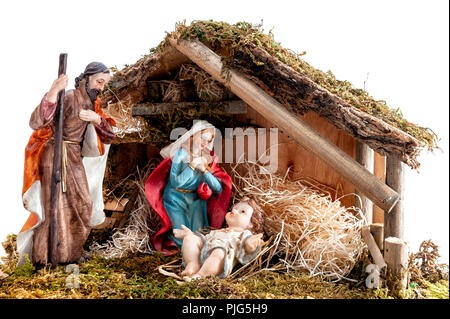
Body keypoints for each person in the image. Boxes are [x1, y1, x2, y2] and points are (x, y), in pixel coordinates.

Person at [18, 62, 116, 266]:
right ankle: (46, 257)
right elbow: (38, 121)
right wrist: (53, 91)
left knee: (82, 204)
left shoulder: (92, 104)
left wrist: (97, 120)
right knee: (54, 205)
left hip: (72, 155)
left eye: (104, 84)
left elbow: (109, 136)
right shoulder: (68, 96)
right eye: (99, 81)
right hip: (55, 154)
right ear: (87, 78)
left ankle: (70, 252)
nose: (101, 87)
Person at [145, 121, 232, 255]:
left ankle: (196, 256)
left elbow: (217, 188)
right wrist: (192, 167)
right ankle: (183, 256)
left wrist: (204, 170)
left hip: (195, 201)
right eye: (202, 138)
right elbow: (177, 183)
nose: (204, 143)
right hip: (175, 198)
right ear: (194, 135)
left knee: (199, 234)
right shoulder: (181, 155)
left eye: (208, 140)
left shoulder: (207, 158)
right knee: (180, 234)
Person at [174, 197, 265, 280]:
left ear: (251, 224)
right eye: (234, 209)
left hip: (220, 260)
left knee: (219, 251)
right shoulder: (220, 231)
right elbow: (204, 240)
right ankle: (193, 264)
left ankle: (200, 276)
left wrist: (251, 244)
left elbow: (245, 249)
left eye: (242, 212)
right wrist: (190, 235)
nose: (235, 211)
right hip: (204, 252)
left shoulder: (244, 234)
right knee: (191, 238)